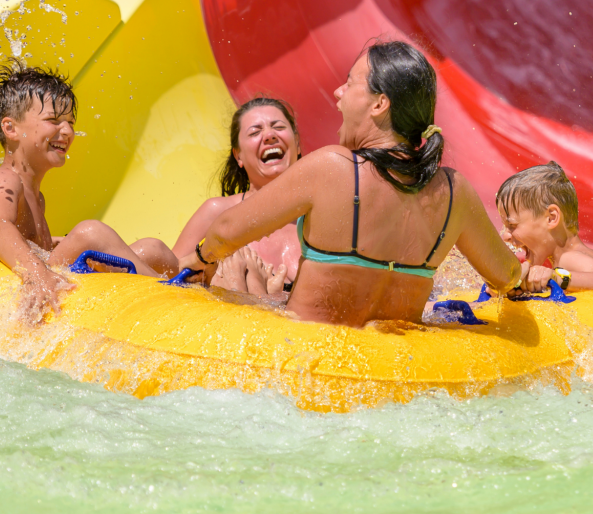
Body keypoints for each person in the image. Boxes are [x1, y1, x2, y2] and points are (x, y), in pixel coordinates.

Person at [178, 40, 522, 326]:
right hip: (397, 375)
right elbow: (507, 275)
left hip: (309, 368)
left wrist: (200, 260)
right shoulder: (454, 191)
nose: (338, 91)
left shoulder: (332, 167)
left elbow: (224, 232)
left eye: (350, 82)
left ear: (379, 104)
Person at [0, 60, 177, 317]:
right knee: (91, 232)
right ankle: (177, 302)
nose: (67, 131)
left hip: (38, 266)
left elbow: (31, 243)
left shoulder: (36, 196)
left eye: (70, 122)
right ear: (10, 128)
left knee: (153, 250)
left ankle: (184, 290)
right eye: (53, 120)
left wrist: (55, 243)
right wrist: (37, 275)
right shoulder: (5, 180)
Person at [172, 97, 302, 295]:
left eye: (278, 127)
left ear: (298, 145)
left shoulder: (324, 214)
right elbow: (168, 278)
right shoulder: (217, 213)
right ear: (238, 155)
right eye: (255, 132)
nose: (269, 135)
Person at [496, 161, 593, 294]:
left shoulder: (570, 258)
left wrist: (555, 277)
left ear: (551, 218)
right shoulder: (565, 258)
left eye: (512, 225)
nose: (506, 236)